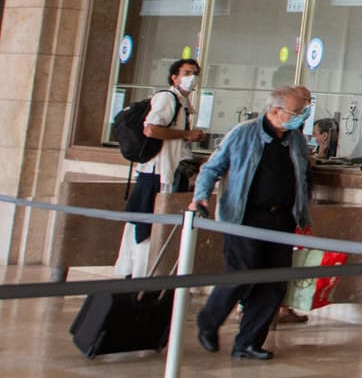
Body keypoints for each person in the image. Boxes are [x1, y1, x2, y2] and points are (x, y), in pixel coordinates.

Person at [191, 85, 314, 361]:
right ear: (275, 111)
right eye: (296, 112)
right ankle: (208, 322)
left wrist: (303, 215)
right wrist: (200, 198)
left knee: (273, 284)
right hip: (245, 217)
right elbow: (212, 168)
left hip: (281, 218)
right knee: (242, 273)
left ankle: (247, 342)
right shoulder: (243, 133)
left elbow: (303, 177)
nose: (301, 117)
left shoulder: (295, 140)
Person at [114, 59, 206, 276]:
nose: (191, 77)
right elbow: (152, 130)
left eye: (194, 73)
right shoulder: (167, 98)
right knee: (146, 225)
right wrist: (186, 135)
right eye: (186, 72)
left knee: (153, 224)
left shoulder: (183, 104)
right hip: (156, 172)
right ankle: (138, 272)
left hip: (167, 170)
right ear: (174, 76)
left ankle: (143, 271)